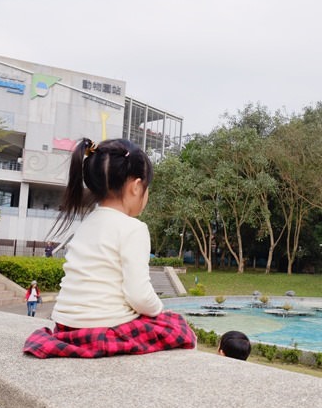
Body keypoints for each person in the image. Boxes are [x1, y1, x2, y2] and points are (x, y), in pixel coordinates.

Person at [23, 138, 195, 358]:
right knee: (177, 326)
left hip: (66, 327)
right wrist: (159, 311)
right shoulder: (134, 228)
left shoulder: (88, 223)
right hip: (104, 329)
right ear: (136, 187)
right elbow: (139, 295)